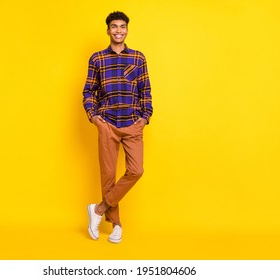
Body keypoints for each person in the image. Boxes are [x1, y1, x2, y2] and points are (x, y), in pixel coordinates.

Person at [82, 11, 153, 243]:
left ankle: (99, 209)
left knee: (136, 170)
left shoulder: (138, 58)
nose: (118, 30)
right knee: (108, 176)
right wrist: (93, 117)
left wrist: (145, 117)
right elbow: (88, 91)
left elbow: (146, 91)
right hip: (107, 124)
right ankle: (117, 226)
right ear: (108, 30)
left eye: (122, 27)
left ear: (127, 30)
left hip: (133, 123)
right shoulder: (97, 59)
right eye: (114, 27)